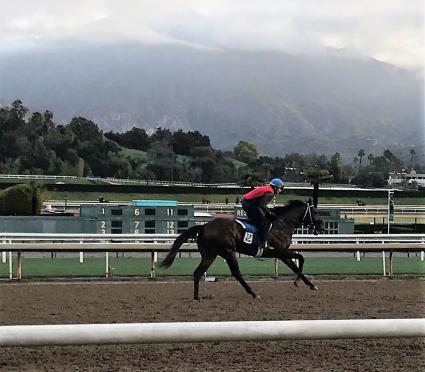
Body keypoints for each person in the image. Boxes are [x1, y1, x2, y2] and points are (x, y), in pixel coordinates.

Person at [241, 178, 284, 249]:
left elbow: (261, 205)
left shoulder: (268, 189)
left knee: (257, 219)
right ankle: (262, 243)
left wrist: (267, 212)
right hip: (249, 204)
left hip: (248, 202)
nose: (280, 191)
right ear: (275, 187)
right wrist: (269, 213)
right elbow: (262, 205)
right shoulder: (270, 193)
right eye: (280, 189)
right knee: (264, 222)